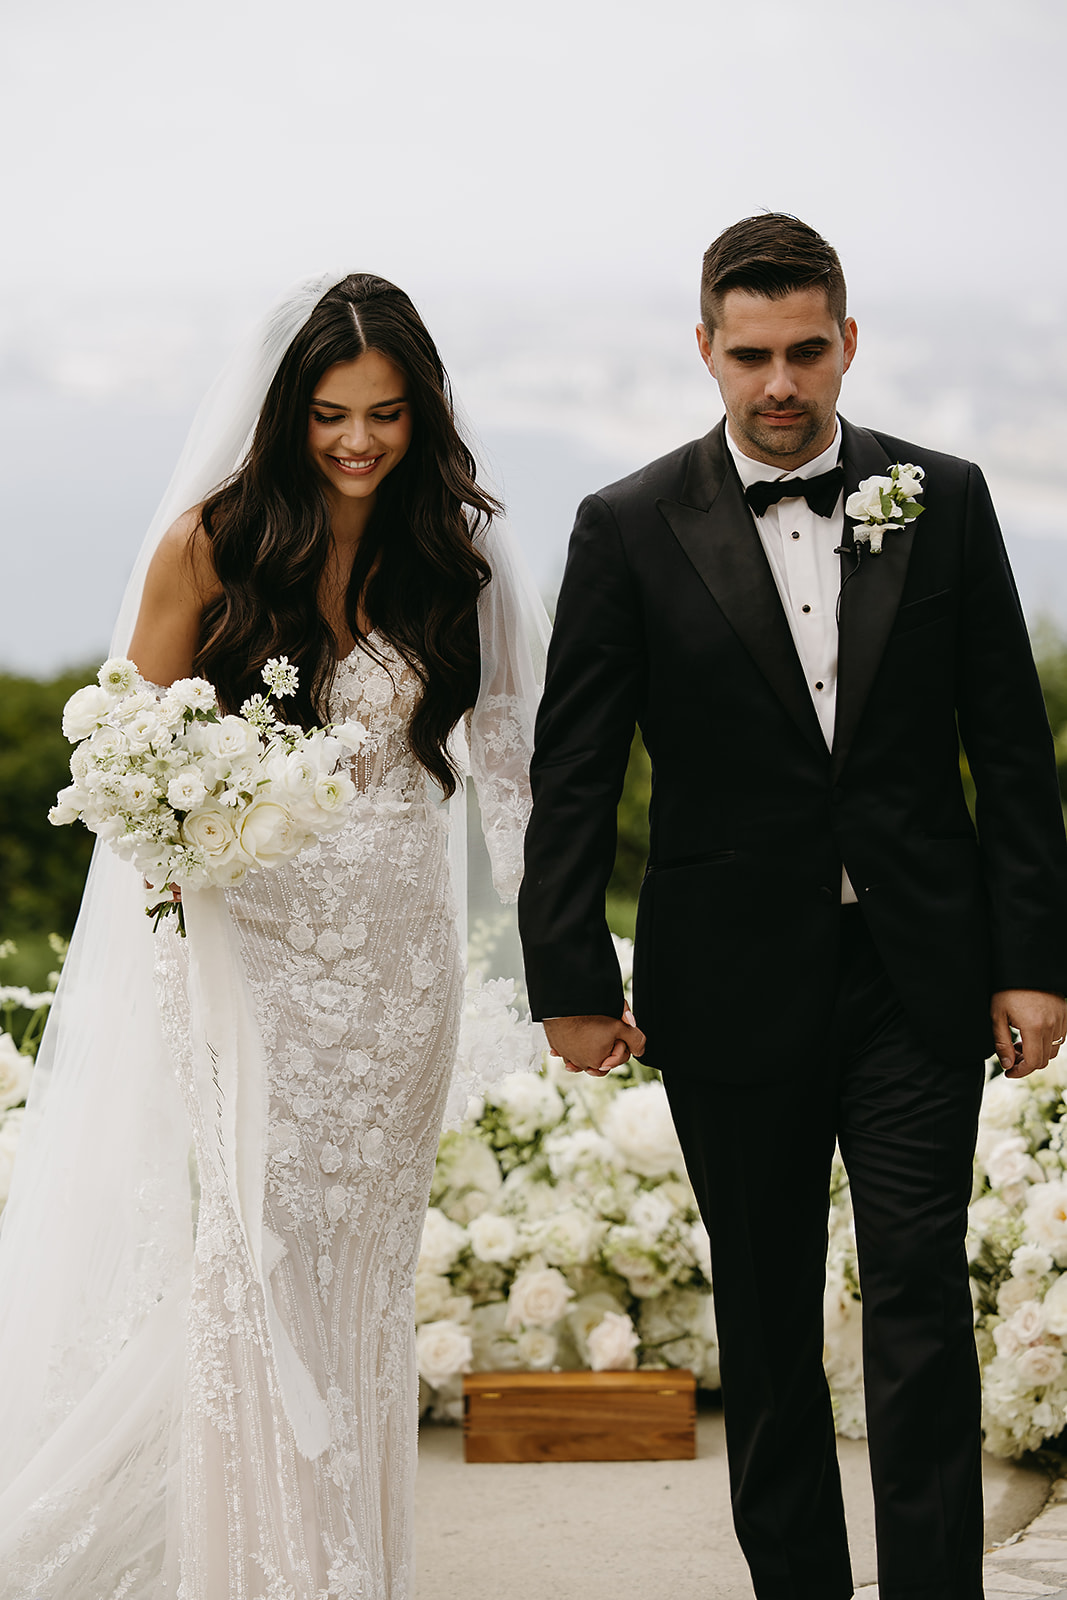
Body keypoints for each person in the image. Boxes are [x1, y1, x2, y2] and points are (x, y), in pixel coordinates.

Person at [518, 214, 1067, 1599]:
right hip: (728, 984)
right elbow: (575, 772)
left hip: (916, 976)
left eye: (805, 352)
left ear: (849, 343)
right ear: (705, 348)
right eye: (750, 354)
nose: (780, 384)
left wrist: (1033, 960)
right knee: (764, 1326)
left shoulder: (944, 496)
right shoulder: (627, 527)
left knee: (922, 1307)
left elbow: (1009, 747)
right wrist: (571, 978)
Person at [0, 273, 547, 1598]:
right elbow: (133, 743)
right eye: (329, 415)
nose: (359, 442)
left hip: (399, 969)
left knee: (359, 1282)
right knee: (261, 1259)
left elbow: (518, 767)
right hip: (251, 959)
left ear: (423, 414)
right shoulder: (212, 542)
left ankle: (349, 1555)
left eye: (385, 414)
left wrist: (555, 949)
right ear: (282, 414)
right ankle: (279, 1572)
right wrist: (193, 840)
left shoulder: (456, 553)